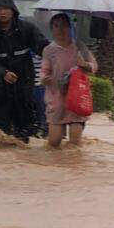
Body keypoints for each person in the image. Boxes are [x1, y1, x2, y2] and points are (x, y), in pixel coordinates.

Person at [0, 0, 47, 143]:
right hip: (1, 86)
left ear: (13, 10)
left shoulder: (27, 29)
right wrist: (3, 73)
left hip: (24, 85)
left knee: (26, 128)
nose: (2, 12)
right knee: (1, 130)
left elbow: (41, 47)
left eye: (6, 9)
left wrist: (58, 51)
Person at [40, 12, 98, 148]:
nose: (60, 30)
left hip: (76, 96)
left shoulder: (80, 47)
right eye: (56, 26)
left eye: (64, 26)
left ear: (70, 28)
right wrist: (48, 79)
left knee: (74, 143)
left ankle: (74, 166)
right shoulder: (49, 50)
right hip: (56, 97)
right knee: (54, 142)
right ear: (51, 29)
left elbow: (94, 67)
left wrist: (84, 64)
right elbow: (44, 73)